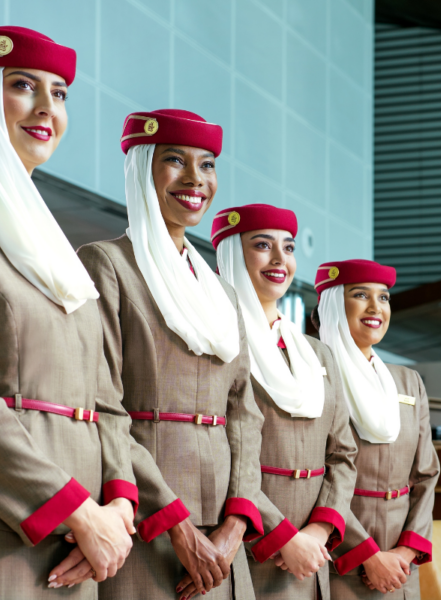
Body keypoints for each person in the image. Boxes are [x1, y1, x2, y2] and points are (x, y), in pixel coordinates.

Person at [0, 26, 137, 599]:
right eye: (24, 86)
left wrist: (118, 505)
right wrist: (75, 509)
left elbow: (106, 398)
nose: (47, 107)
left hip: (89, 534)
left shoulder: (57, 250)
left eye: (61, 92)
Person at [77, 109, 264, 600]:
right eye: (175, 161)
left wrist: (238, 522)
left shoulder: (222, 293)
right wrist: (175, 523)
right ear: (141, 169)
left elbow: (244, 414)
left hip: (224, 537)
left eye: (207, 165)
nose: (194, 179)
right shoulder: (107, 265)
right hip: (147, 522)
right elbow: (103, 408)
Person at [208, 204, 358, 600]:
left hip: (311, 551)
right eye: (262, 245)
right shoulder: (214, 342)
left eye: (289, 248)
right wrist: (283, 536)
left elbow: (342, 454)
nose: (280, 260)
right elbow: (222, 453)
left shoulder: (317, 354)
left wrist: (319, 530)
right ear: (231, 255)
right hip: (248, 542)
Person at [314, 260, 440, 599]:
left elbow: (427, 474)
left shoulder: (408, 381)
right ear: (334, 304)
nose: (375, 308)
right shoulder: (314, 375)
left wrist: (405, 553)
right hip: (338, 551)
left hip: (401, 563)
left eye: (383, 298)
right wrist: (367, 555)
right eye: (360, 295)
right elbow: (318, 478)